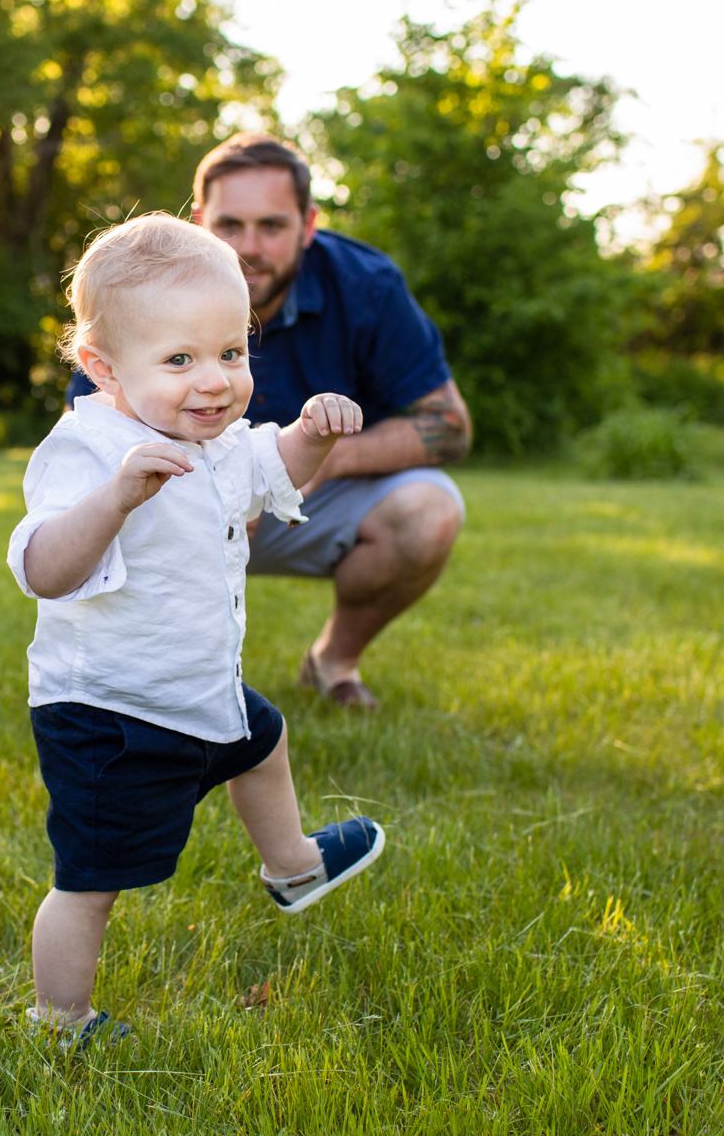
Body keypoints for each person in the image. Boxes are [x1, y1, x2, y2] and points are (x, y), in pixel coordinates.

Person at [9, 213, 387, 1047]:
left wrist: (313, 437)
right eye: (179, 359)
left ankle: (293, 866)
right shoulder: (89, 446)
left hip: (199, 682)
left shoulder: (214, 438)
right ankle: (59, 1019)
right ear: (103, 368)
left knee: (262, 739)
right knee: (92, 881)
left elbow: (274, 467)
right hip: (111, 707)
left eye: (232, 352)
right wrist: (115, 498)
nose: (214, 380)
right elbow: (44, 568)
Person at [67, 133, 472, 710]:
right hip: (169, 500)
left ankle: (334, 662)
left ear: (307, 225)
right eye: (230, 225)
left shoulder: (366, 285)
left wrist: (320, 462)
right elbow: (86, 434)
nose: (248, 248)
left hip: (304, 502)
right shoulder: (139, 286)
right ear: (200, 221)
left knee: (431, 510)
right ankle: (129, 692)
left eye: (272, 226)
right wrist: (177, 490)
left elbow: (449, 424)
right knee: (102, 509)